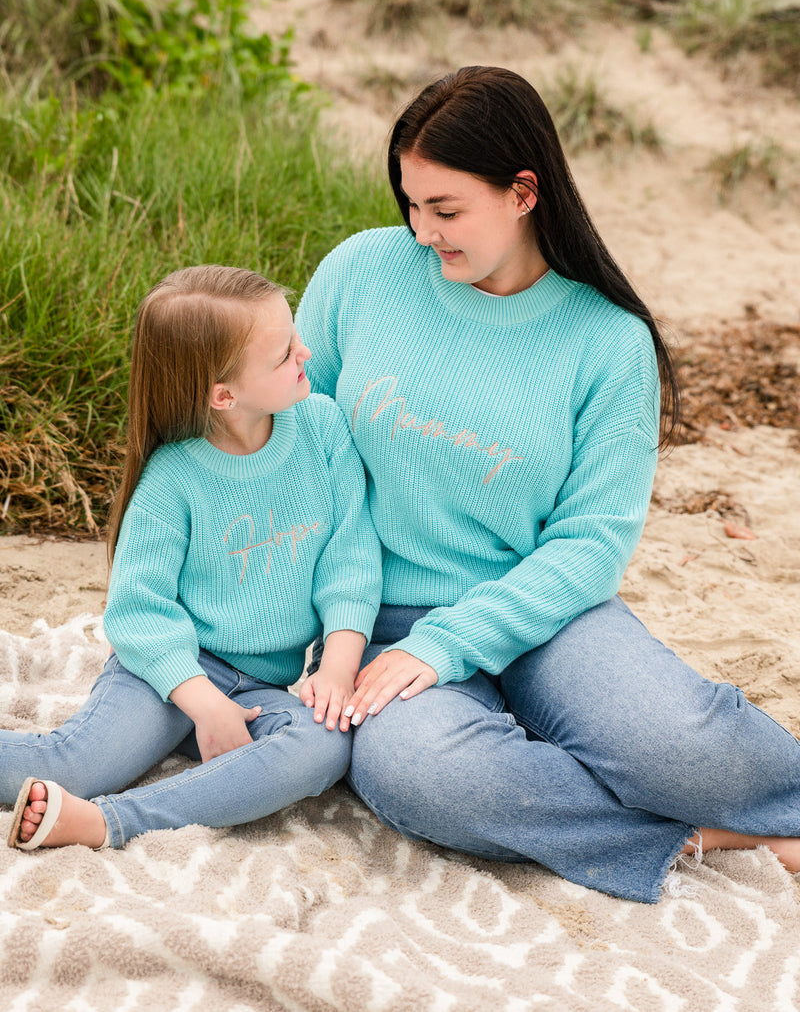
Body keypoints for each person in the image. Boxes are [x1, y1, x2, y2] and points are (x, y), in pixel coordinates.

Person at [295, 65, 800, 903]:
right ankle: (705, 837)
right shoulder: (361, 273)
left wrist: (451, 642)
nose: (422, 231)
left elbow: (591, 545)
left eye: (446, 209)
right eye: (410, 204)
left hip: (541, 612)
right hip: (374, 618)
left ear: (524, 193)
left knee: (676, 743)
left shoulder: (607, 342)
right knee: (419, 773)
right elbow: (295, 447)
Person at [4, 265, 381, 851]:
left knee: (323, 744)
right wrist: (204, 704)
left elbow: (349, 557)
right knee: (74, 766)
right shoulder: (172, 481)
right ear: (223, 395)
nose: (305, 352)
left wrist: (337, 663)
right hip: (170, 676)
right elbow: (138, 613)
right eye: (285, 352)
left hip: (262, 687)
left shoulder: (324, 429)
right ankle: (96, 797)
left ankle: (113, 821)